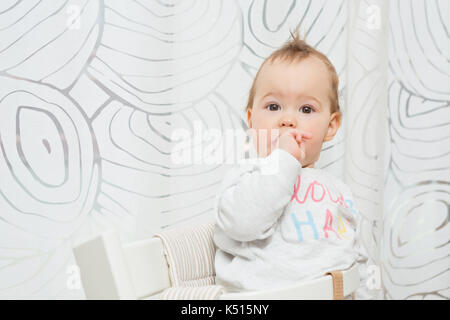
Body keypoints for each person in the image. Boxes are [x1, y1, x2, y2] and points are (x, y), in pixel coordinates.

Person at [213, 30, 374, 299]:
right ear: (252, 121)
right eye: (274, 106)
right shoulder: (245, 178)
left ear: (331, 126)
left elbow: (356, 257)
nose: (288, 120)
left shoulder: (338, 191)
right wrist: (284, 160)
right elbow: (243, 224)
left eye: (306, 109)